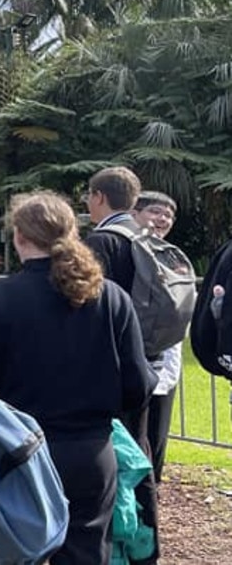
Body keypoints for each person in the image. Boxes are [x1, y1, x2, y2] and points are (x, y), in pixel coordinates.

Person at [0, 192, 155, 565]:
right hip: (91, 450)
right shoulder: (112, 298)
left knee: (13, 552)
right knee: (86, 554)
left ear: (20, 238)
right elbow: (138, 385)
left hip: (20, 451)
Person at [82, 165, 159, 565]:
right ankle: (148, 544)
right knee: (141, 453)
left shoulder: (102, 242)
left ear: (99, 197)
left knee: (117, 456)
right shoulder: (146, 236)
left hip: (110, 365)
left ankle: (117, 543)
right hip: (147, 358)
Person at [132, 191, 183, 481]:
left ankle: (154, 489)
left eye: (168, 215)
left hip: (167, 354)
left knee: (157, 433)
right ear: (135, 214)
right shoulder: (129, 251)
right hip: (136, 356)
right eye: (155, 211)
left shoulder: (172, 256)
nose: (162, 219)